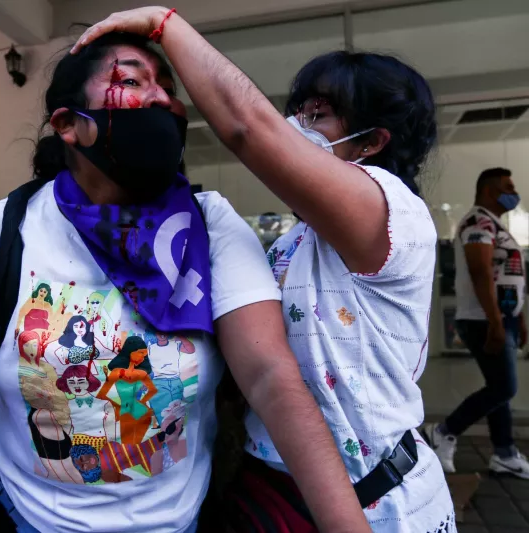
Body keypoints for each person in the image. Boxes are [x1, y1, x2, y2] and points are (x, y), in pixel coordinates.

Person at [0, 31, 369, 533]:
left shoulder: (211, 224)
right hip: (26, 519)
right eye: (133, 81)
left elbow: (269, 376)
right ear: (68, 125)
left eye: (168, 88)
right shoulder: (0, 229)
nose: (161, 98)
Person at [73, 8, 454, 531]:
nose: (296, 126)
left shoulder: (395, 215)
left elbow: (248, 127)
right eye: (296, 112)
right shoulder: (291, 241)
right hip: (273, 490)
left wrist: (165, 24)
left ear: (371, 142)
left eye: (318, 115)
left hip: (375, 499)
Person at [424, 167, 529, 478]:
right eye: (507, 187)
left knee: (499, 388)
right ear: (488, 191)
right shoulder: (477, 221)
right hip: (483, 318)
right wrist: (496, 321)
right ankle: (443, 431)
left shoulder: (495, 224)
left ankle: (504, 453)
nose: (514, 192)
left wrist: (517, 318)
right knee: (504, 387)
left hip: (500, 317)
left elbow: (506, 277)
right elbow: (480, 271)